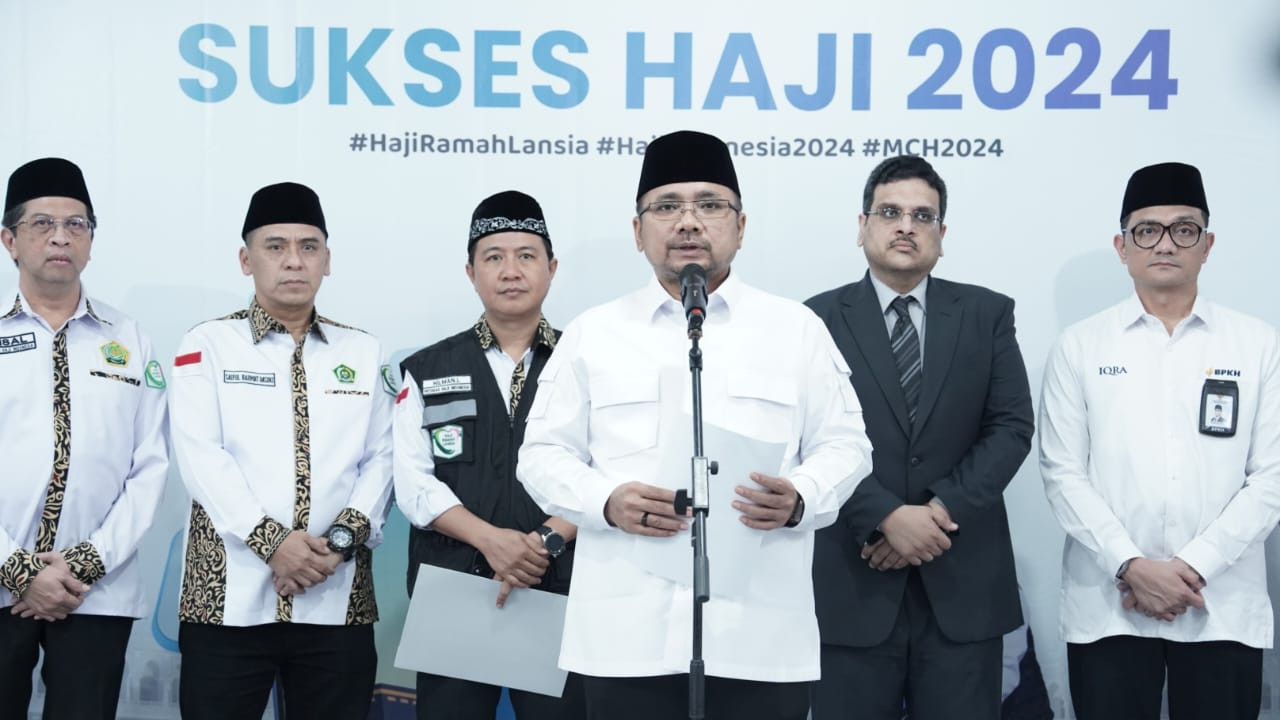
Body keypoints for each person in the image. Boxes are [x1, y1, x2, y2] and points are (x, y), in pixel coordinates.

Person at [517, 129, 873, 720]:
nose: (688, 222)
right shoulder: (594, 333)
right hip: (626, 637)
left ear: (740, 225)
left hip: (760, 636)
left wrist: (801, 498)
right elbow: (540, 455)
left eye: (709, 205)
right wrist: (606, 501)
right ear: (638, 231)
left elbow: (847, 444)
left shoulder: (795, 329)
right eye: (667, 207)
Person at [1039, 161, 1280, 719]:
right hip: (1111, 604)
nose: (1165, 244)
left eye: (1184, 229)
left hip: (1220, 603)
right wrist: (1131, 565)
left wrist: (1194, 566)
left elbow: (1271, 476)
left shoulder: (1257, 345)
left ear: (1207, 245)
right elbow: (1062, 473)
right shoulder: (1081, 346)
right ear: (1122, 246)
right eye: (1147, 230)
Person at [806, 155, 1034, 720]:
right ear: (862, 226)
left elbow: (1010, 427)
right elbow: (804, 438)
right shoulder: (815, 320)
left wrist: (935, 513)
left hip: (962, 583)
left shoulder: (986, 313)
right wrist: (884, 516)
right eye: (890, 213)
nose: (906, 226)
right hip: (853, 581)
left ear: (941, 233)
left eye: (922, 216)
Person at [169, 182, 394, 719]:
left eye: (308, 246)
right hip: (227, 601)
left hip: (336, 596)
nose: (294, 260)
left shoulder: (363, 351)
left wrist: (337, 544)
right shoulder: (207, 345)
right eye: (276, 247)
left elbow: (383, 460)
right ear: (246, 260)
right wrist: (274, 544)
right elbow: (202, 458)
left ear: (327, 260)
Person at [394, 190, 585, 718]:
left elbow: (602, 473)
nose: (511, 271)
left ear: (551, 268)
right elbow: (413, 485)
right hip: (452, 589)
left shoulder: (585, 364)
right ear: (471, 272)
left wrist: (542, 544)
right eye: (494, 257)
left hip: (557, 589)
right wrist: (492, 542)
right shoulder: (427, 368)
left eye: (526, 256)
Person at [0, 157, 169, 719]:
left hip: (95, 590)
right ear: (9, 240)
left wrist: (86, 562)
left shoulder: (130, 338)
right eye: (42, 224)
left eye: (76, 224)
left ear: (91, 242)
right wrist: (19, 569)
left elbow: (150, 466)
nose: (60, 237)